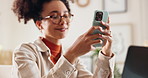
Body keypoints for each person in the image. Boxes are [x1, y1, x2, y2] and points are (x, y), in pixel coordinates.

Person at [12, 0, 115, 78]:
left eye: (66, 15)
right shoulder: (24, 52)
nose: (63, 21)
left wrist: (106, 52)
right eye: (54, 16)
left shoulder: (73, 58)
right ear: (39, 24)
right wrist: (72, 54)